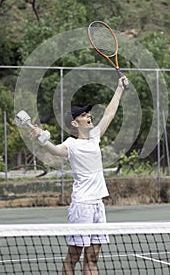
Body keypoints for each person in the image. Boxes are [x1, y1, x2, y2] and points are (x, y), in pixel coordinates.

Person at [31, 75, 129, 274]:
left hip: (97, 205)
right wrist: (42, 139)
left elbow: (109, 114)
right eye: (83, 115)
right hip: (81, 206)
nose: (88, 115)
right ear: (75, 123)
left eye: (88, 113)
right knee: (74, 256)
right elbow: (56, 150)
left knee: (93, 258)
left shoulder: (94, 138)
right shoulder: (71, 144)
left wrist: (119, 88)